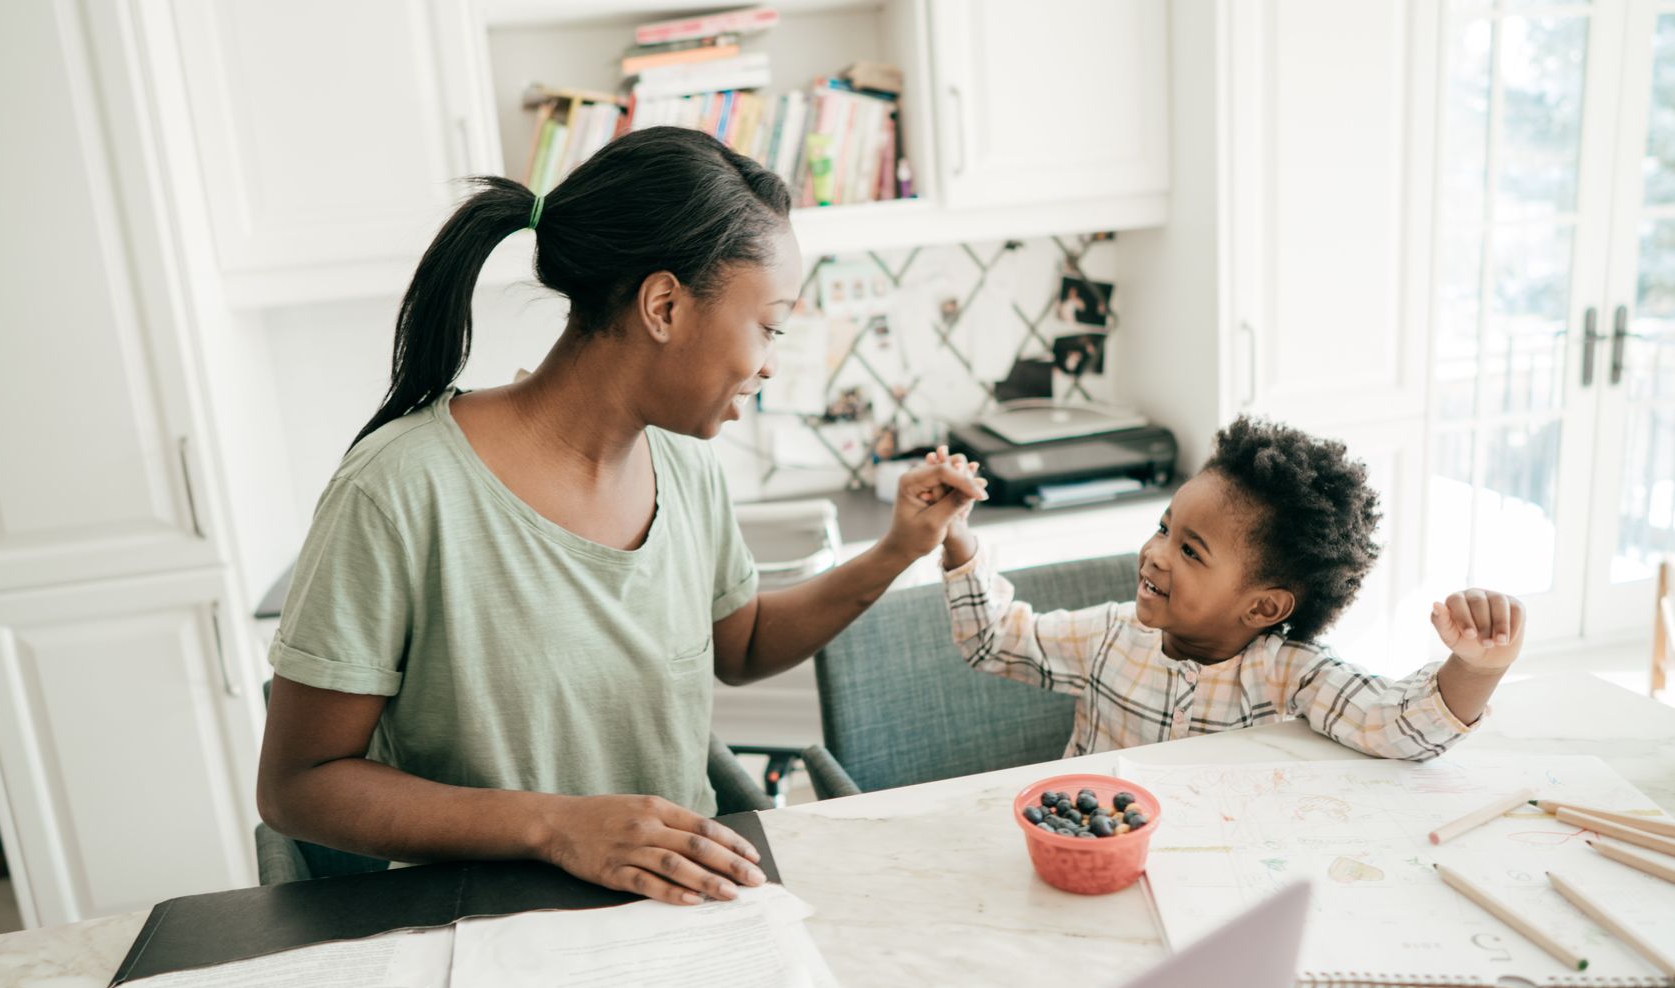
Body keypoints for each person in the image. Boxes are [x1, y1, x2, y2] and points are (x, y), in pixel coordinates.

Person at [256, 127, 984, 908]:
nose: (771, 361)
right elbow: (300, 786)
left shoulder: (687, 466)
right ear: (664, 306)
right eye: (770, 326)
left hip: (678, 911)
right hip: (486, 930)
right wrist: (557, 826)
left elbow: (738, 645)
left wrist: (898, 550)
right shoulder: (399, 488)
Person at [932, 417, 1524, 760]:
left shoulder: (1290, 675)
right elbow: (993, 641)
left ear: (1263, 606)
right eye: (1164, 528)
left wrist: (1475, 667)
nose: (1154, 553)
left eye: (1190, 551)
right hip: (1097, 862)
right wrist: (956, 536)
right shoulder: (1111, 635)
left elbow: (1396, 727)